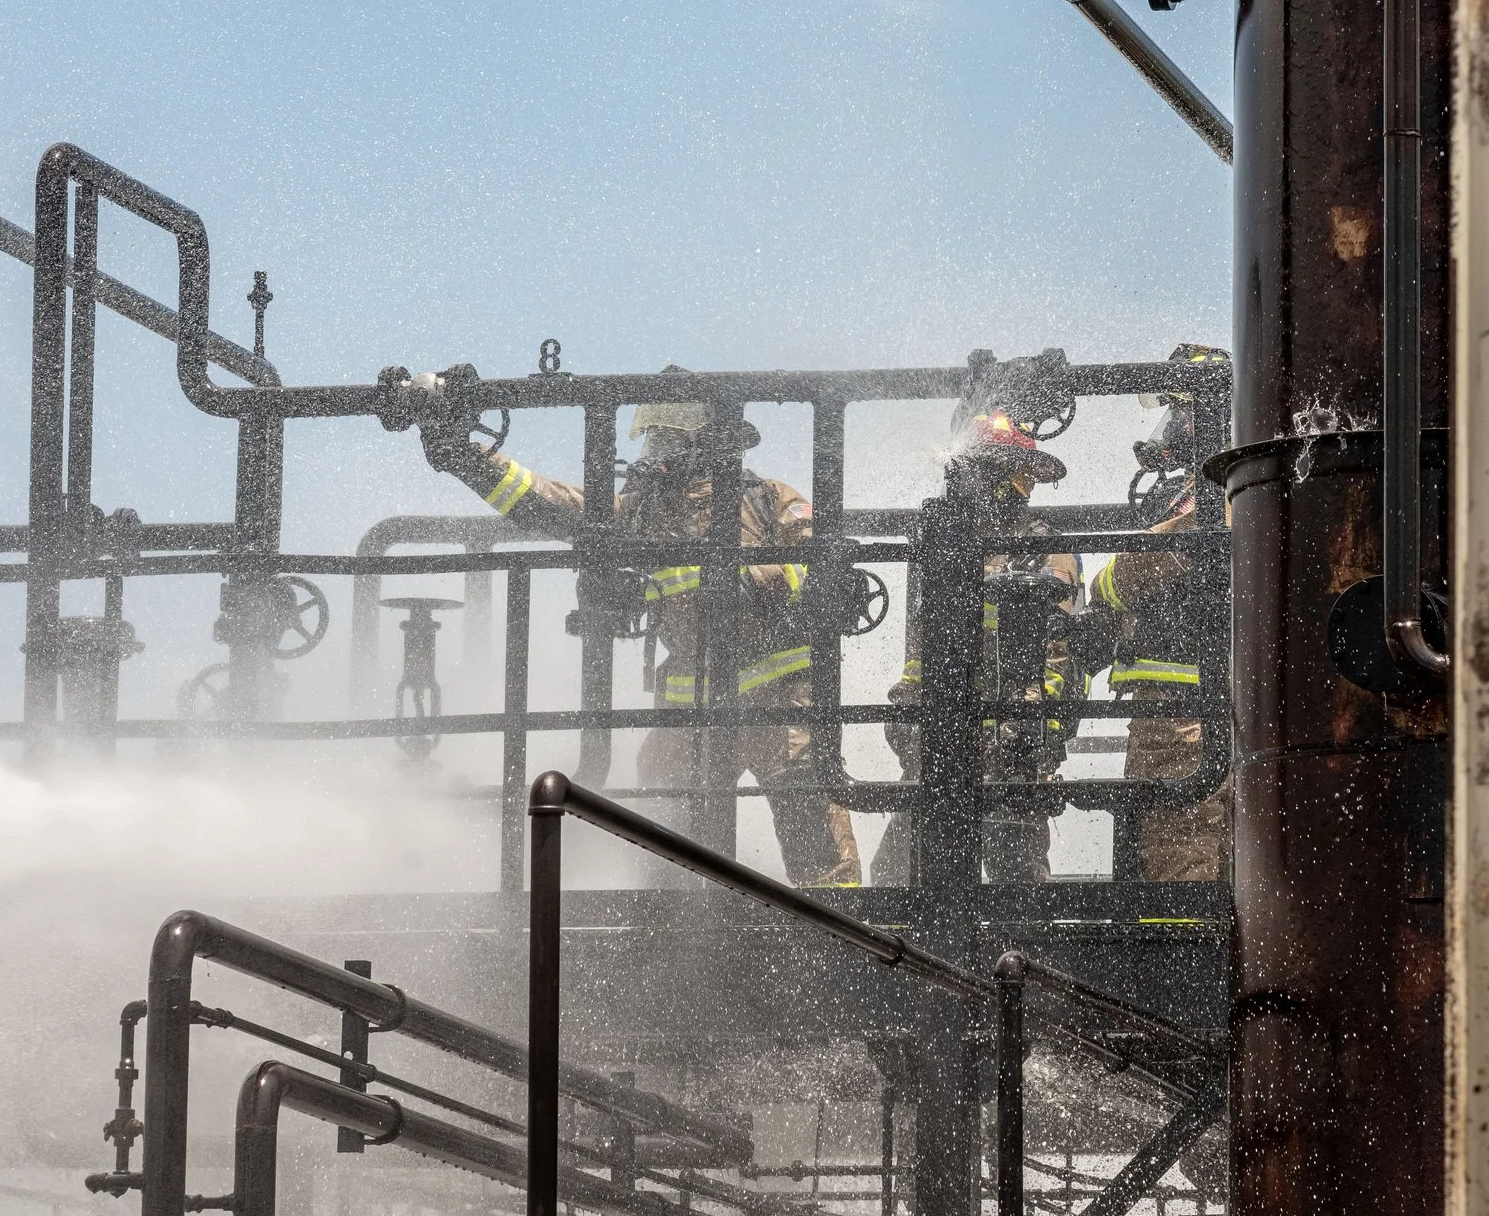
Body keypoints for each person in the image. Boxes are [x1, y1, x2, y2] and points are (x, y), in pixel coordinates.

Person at [412, 366, 863, 886]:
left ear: (706, 443)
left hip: (779, 700)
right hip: (689, 706)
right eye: (650, 438)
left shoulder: (769, 499)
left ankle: (844, 945)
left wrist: (756, 580)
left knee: (814, 830)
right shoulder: (642, 513)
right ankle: (674, 934)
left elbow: (821, 566)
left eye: (664, 438)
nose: (653, 452)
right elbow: (548, 503)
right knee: (666, 843)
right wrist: (462, 456)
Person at [873, 410, 1082, 886]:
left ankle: (1027, 961)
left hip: (1014, 746)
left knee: (1017, 885)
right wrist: (909, 705)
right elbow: (922, 648)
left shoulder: (1043, 550)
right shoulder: (945, 543)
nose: (1023, 488)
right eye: (1016, 475)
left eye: (1024, 478)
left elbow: (1057, 656)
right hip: (946, 735)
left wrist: (1028, 732)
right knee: (894, 873)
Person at [1078, 344, 1231, 881]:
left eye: (1183, 413)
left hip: (1185, 710)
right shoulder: (1214, 488)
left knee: (1179, 840)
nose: (1172, 429)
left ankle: (1185, 952)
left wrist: (1102, 590)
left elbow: (1152, 564)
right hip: (1179, 704)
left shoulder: (1216, 495)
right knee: (1159, 834)